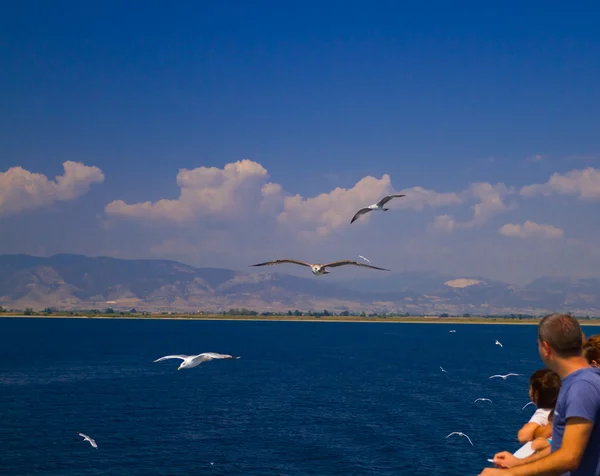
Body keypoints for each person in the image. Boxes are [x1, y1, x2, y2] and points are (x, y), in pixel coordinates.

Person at [479, 313, 600, 476]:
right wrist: (520, 463)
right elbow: (560, 446)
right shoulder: (581, 381)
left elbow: (570, 457)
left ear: (546, 348)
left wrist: (510, 474)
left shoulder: (581, 387)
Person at [517, 369, 560, 444]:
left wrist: (530, 429)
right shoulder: (562, 409)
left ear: (536, 394)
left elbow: (523, 436)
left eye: (530, 388)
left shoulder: (543, 413)